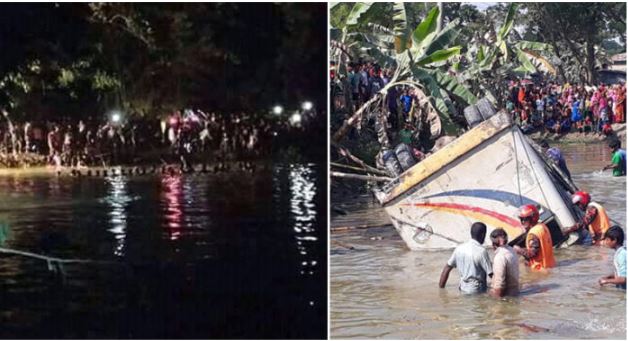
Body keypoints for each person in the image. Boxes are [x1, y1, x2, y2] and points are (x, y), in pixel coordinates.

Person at [439, 222, 493, 294]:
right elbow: (492, 275)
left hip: (462, 288)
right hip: (477, 291)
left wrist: (441, 291)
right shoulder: (482, 251)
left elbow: (447, 268)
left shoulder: (459, 249)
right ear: (483, 234)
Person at [513, 204, 556, 270]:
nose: (522, 222)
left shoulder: (533, 234)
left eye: (525, 219)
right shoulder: (542, 226)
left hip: (539, 270)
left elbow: (532, 253)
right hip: (550, 265)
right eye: (521, 219)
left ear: (532, 218)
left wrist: (519, 250)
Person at [489, 228, 520, 298]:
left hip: (506, 297)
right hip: (515, 293)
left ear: (493, 244)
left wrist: (496, 304)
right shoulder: (512, 251)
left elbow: (499, 285)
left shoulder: (500, 257)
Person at [598, 226, 626, 290]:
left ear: (614, 240)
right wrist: (609, 277)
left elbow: (624, 279)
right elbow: (620, 272)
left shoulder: (621, 255)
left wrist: (606, 281)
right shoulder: (621, 252)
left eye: (607, 239)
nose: (605, 242)